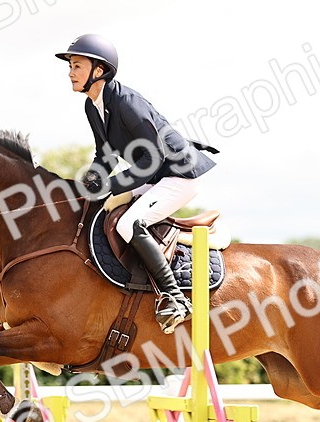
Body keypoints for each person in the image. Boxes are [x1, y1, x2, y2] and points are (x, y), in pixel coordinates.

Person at [56, 34, 218, 333]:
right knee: (101, 213)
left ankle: (175, 297)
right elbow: (105, 155)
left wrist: (117, 188)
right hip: (155, 176)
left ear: (98, 70)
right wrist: (86, 186)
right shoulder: (93, 106)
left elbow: (153, 157)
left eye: (76, 65)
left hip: (178, 174)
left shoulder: (127, 101)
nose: (70, 72)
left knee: (129, 223)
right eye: (70, 66)